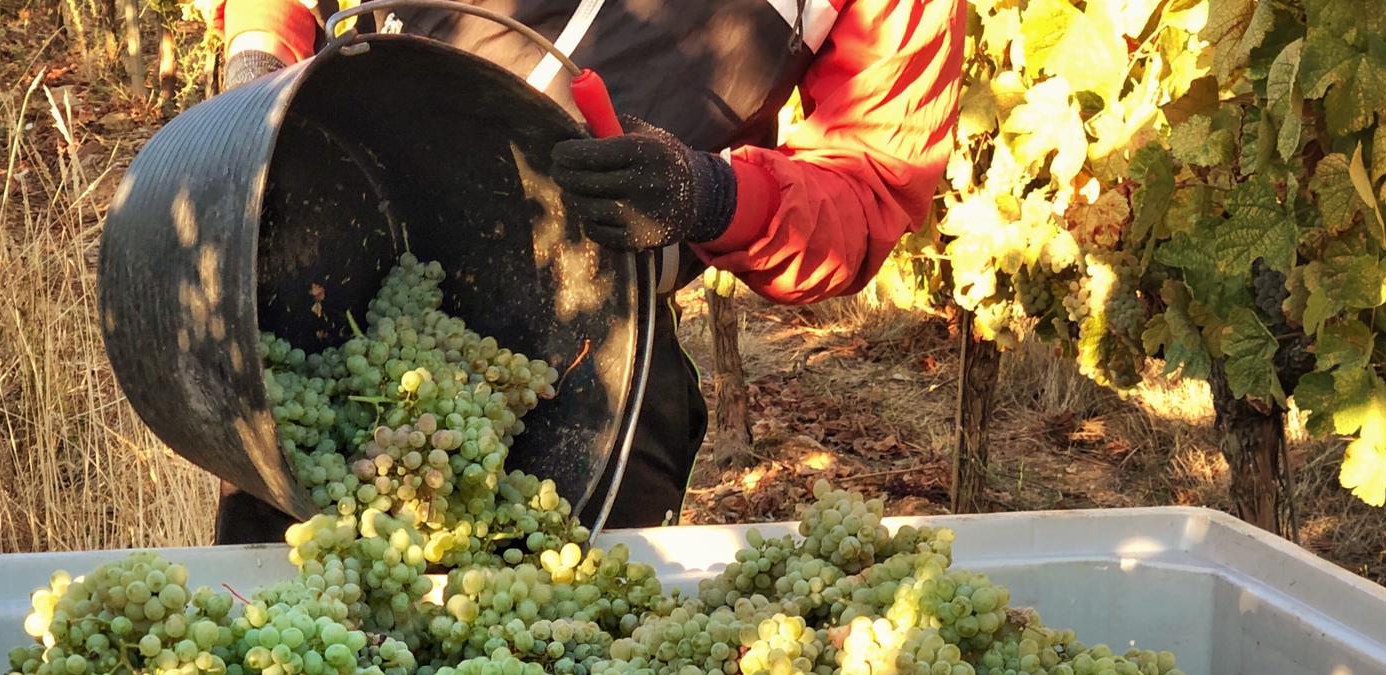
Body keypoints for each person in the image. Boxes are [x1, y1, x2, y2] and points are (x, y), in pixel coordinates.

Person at [203, 0, 963, 541]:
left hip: (596, 357)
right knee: (284, 673)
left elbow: (867, 182)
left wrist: (714, 196)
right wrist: (257, 61)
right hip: (344, 293)